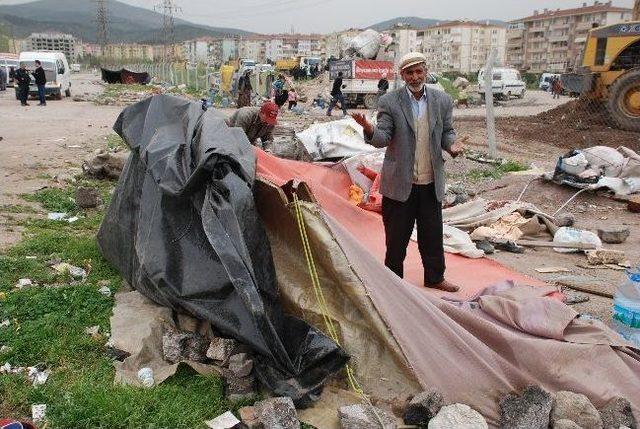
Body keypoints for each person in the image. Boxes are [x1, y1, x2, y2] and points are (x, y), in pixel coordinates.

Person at [351, 52, 467, 292]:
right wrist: (369, 128)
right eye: (409, 73)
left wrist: (452, 146)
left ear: (426, 71)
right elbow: (383, 138)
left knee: (432, 236)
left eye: (419, 71)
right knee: (396, 239)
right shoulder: (390, 102)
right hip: (399, 184)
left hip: (430, 181)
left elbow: (447, 132)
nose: (415, 77)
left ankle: (435, 278)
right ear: (402, 75)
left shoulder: (442, 100)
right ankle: (393, 283)